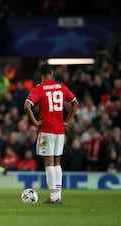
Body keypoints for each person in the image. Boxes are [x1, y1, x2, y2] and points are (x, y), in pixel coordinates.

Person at [24, 64, 79, 204]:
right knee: (57, 161)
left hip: (46, 130)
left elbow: (27, 106)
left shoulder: (39, 89)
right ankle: (58, 195)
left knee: (48, 162)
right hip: (60, 130)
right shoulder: (61, 87)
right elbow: (75, 103)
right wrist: (67, 121)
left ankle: (53, 196)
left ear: (41, 75)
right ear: (51, 73)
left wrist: (35, 122)